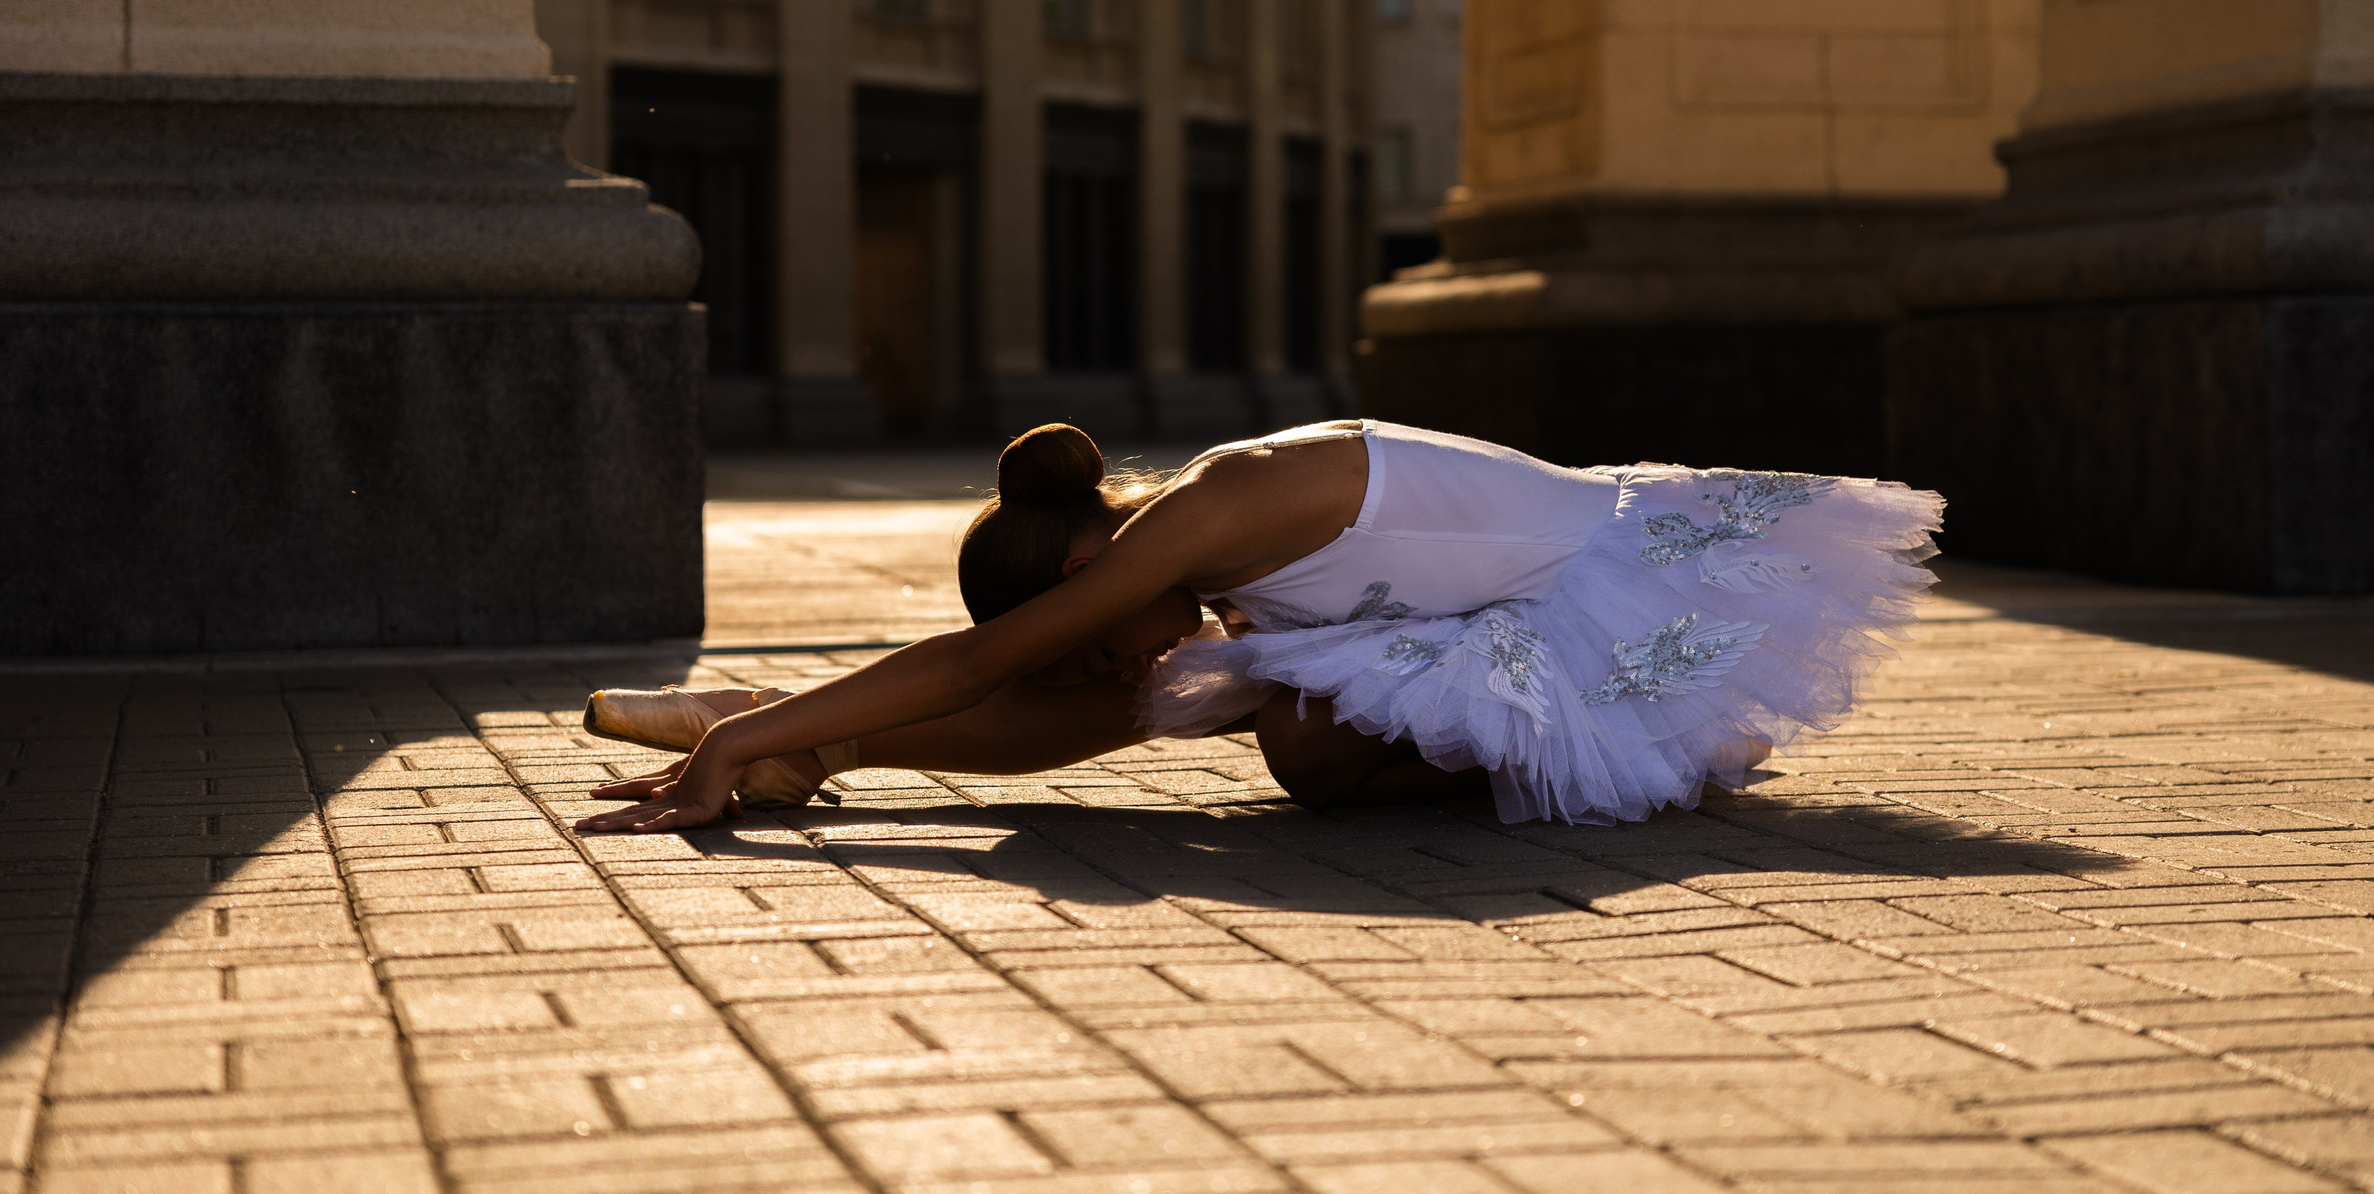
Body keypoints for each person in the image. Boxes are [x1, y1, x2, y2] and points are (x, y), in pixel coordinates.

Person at [574, 420, 1942, 832]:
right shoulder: (1184, 559)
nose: (1121, 648)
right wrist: (808, 736)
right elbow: (1051, 692)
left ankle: (764, 732)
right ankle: (821, 748)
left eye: (1093, 625)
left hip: (1597, 592)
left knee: (1289, 736)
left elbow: (987, 661)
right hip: (1499, 615)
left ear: (1088, 557)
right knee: (1198, 689)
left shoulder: (1207, 515)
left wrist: (731, 742)